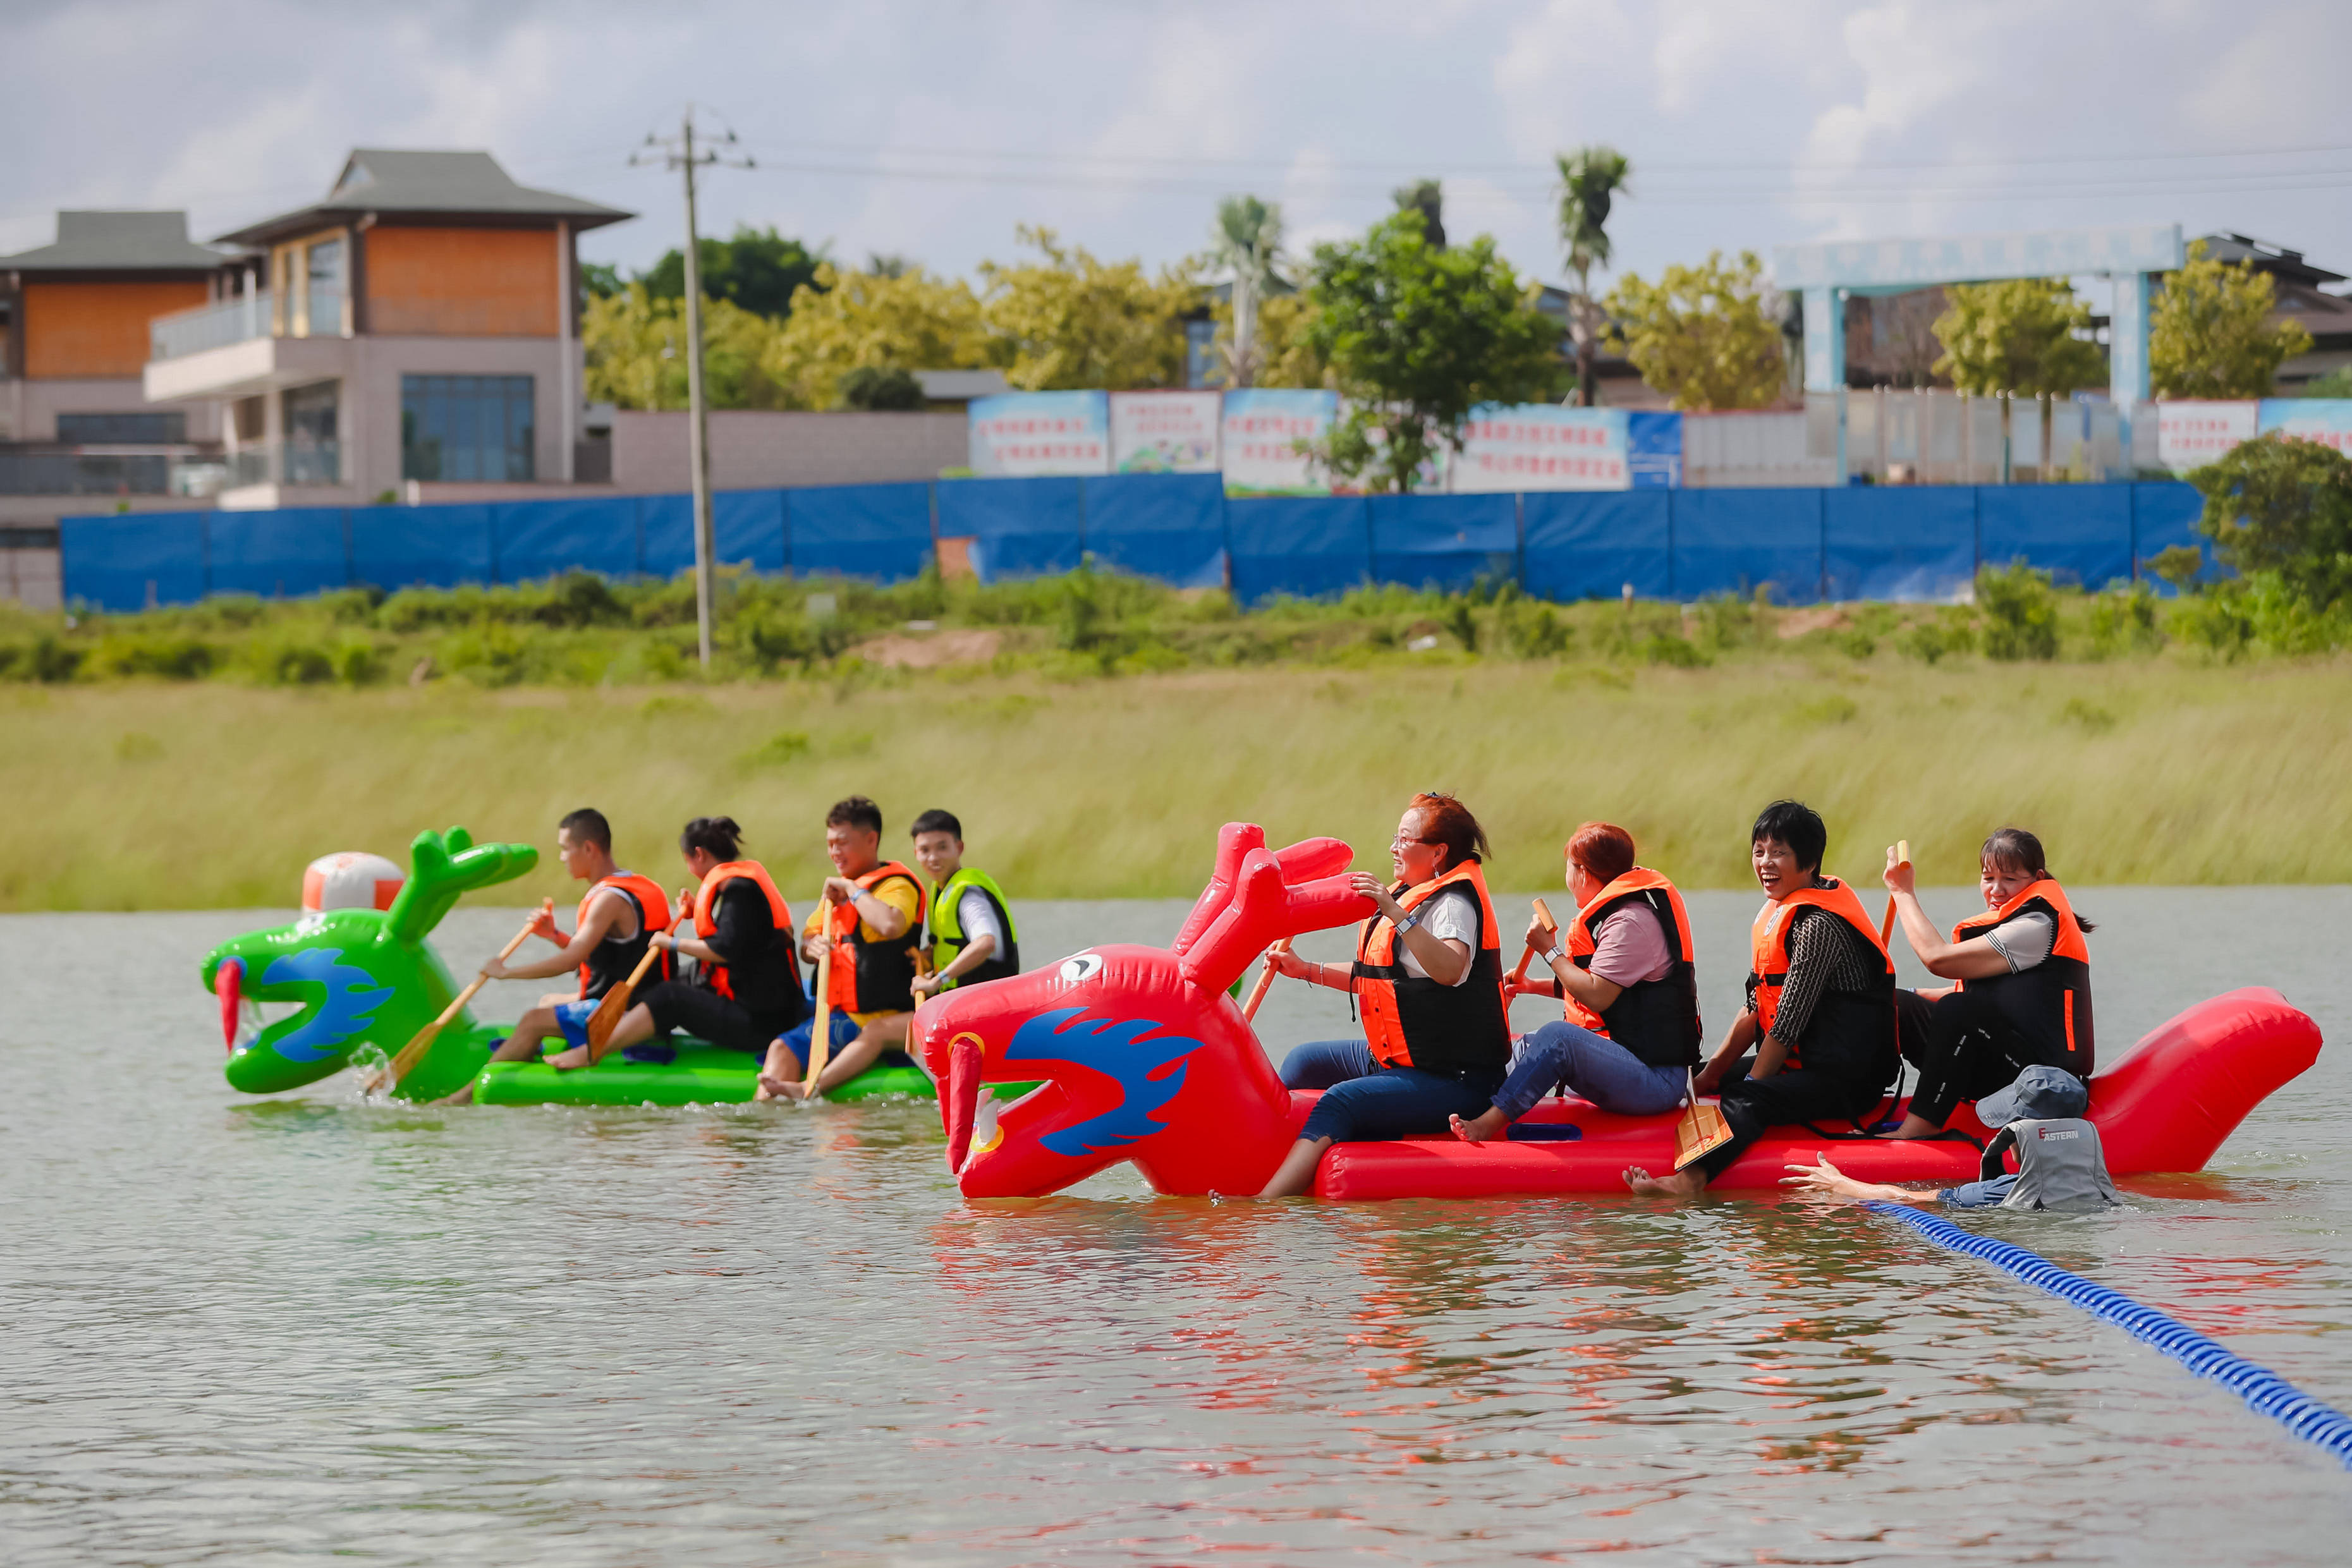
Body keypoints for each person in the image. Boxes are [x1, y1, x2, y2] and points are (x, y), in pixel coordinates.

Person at [1624, 799, 1898, 1198]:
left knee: (1747, 1093)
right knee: (1707, 1076)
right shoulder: (1778, 912)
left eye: (1779, 853)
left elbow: (1786, 1024)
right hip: (1801, 1063)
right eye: (1759, 851)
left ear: (1809, 861)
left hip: (1846, 1079)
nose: (1765, 863)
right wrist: (1708, 1077)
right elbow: (1756, 1006)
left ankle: (1691, 1179)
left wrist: (1754, 1085)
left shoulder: (1817, 926)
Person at [1253, 792, 1512, 1198]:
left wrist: (1394, 912)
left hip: (1458, 1081)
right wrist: (1305, 970)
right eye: (1396, 836)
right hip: (1399, 1060)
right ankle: (1265, 1160)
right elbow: (1380, 979)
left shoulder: (1453, 904)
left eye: (1404, 840)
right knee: (1303, 1061)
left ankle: (1267, 1202)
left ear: (1438, 852)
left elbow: (1450, 970)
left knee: (1341, 1100)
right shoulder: (1412, 896)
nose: (1394, 847)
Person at [1451, 822, 1702, 1141]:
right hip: (1631, 1062)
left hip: (1656, 1081)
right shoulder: (1618, 915)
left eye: (1569, 867)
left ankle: (1487, 1125)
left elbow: (1597, 995)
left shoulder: (1630, 922)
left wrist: (1549, 950)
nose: (1567, 876)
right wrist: (1531, 986)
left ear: (1582, 874)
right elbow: (1602, 986)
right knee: (1525, 1045)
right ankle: (1462, 1101)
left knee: (1558, 1038)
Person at [438, 808, 669, 1104]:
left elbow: (570, 962)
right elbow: (609, 955)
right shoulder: (639, 886)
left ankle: (464, 1097)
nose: (561, 858)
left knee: (533, 1020)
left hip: (624, 1014)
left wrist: (506, 973)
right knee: (548, 1001)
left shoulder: (608, 899)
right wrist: (554, 935)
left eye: (565, 849)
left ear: (589, 849)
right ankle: (527, 1053)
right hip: (640, 1002)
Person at [1880, 827, 2096, 1138]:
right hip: (2003, 1060)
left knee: (1959, 1010)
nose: (1996, 890)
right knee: (1896, 1004)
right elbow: (1978, 993)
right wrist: (1902, 996)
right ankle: (1864, 1103)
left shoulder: (2036, 926)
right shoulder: (2015, 921)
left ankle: (1919, 1127)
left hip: (2040, 1084)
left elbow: (1937, 959)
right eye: (1988, 878)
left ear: (2037, 878)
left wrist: (1903, 893)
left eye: (2010, 879)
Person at [564, 816, 803, 1070]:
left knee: (669, 996)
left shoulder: (740, 890)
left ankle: (592, 1053)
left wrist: (672, 943)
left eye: (687, 860)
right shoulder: (741, 885)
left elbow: (723, 950)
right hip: (760, 1006)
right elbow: (742, 936)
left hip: (763, 1024)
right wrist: (696, 910)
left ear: (699, 854)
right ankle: (637, 1030)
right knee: (670, 980)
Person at [759, 796, 927, 1101]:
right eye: (830, 844)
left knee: (781, 1048)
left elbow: (890, 925)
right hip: (839, 1009)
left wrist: (853, 890)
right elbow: (809, 939)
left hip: (872, 1015)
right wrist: (811, 946)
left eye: (842, 843)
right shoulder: (838, 891)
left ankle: (775, 1114)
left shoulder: (895, 886)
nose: (834, 851)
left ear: (871, 839)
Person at [1782, 1066, 2121, 1212]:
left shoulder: (2003, 1190)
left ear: (2022, 1134)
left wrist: (1840, 1183)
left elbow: (1906, 1198)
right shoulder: (2099, 1185)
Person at [909, 808, 1021, 997]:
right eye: (925, 850)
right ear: (916, 853)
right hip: (961, 998)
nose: (933, 858)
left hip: (986, 1001)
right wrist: (928, 957)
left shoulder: (968, 894)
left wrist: (936, 981)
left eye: (942, 847)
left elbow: (986, 943)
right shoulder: (939, 889)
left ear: (959, 848)